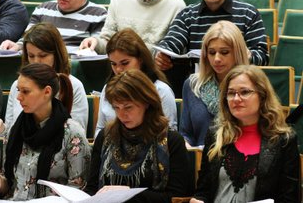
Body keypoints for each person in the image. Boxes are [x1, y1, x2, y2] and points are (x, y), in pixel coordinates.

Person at [155, 0, 269, 97]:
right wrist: (162, 55)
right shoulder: (187, 15)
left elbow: (263, 57)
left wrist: (247, 55)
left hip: (238, 89)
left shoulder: (248, 13)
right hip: (198, 89)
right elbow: (172, 41)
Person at [0, 63, 90, 201]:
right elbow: (10, 182)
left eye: (25, 91)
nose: (18, 97)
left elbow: (78, 190)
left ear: (47, 92)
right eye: (18, 90)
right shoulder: (16, 129)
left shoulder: (72, 133)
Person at [190, 65, 300, 203]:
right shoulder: (216, 135)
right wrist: (198, 200)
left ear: (262, 95)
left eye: (245, 92)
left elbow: (289, 198)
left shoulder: (284, 141)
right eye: (231, 93)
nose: (236, 99)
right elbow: (203, 191)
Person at [84, 69, 190, 202]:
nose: (122, 115)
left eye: (128, 107)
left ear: (147, 103)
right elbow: (92, 188)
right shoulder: (105, 137)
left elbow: (176, 197)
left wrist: (129, 193)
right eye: (116, 108)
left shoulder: (172, 141)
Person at [4, 22, 89, 133]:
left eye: (43, 55)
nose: (36, 62)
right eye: (31, 56)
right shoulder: (17, 85)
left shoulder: (74, 86)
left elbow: (78, 136)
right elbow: (10, 132)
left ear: (56, 54)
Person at [94, 28, 177, 138]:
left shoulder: (161, 90)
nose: (118, 69)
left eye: (125, 63)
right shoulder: (107, 89)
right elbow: (100, 129)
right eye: (113, 64)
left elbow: (169, 134)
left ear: (141, 59)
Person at [180, 21, 249, 147]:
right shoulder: (192, 85)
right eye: (212, 52)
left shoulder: (251, 86)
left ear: (237, 53)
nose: (217, 59)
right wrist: (187, 146)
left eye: (224, 52)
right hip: (201, 160)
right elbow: (186, 133)